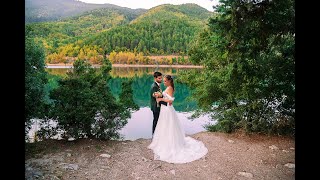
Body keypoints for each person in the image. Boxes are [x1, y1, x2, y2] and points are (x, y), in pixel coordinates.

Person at [148, 75, 208, 164]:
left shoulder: (170, 88)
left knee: (169, 126)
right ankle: (164, 142)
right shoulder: (168, 87)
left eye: (165, 81)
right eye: (163, 81)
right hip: (165, 109)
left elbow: (171, 101)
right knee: (164, 126)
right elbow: (167, 98)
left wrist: (160, 98)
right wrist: (160, 96)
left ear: (169, 81)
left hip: (168, 110)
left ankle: (171, 144)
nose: (164, 82)